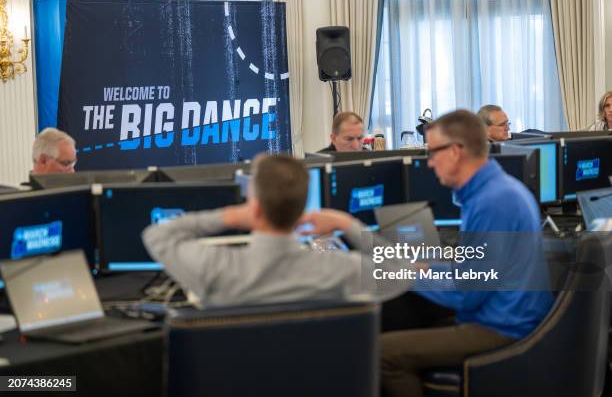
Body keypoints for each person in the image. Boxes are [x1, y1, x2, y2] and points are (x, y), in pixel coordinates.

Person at [381, 110, 553, 397]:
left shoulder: (492, 202)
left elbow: (466, 292)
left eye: (433, 152)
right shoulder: (495, 190)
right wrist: (427, 270)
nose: (430, 162)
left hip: (502, 328)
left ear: (456, 151)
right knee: (407, 318)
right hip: (506, 312)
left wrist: (405, 272)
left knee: (384, 353)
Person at [142, 154, 410, 307]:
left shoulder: (215, 268)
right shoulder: (340, 270)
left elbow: (157, 235)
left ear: (253, 207)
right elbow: (402, 272)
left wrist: (230, 216)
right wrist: (346, 223)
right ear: (303, 207)